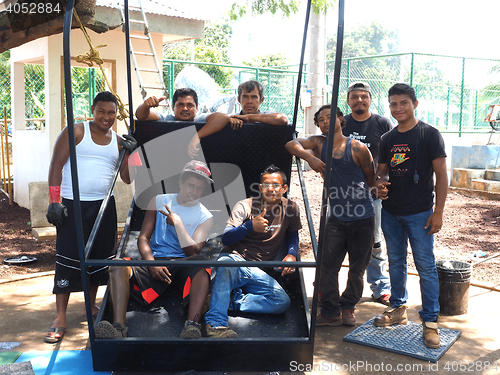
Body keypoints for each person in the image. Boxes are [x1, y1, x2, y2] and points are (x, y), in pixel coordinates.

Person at [44, 91, 136, 343]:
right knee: (68, 257)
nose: (106, 117)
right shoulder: (76, 132)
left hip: (104, 206)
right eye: (101, 111)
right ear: (92, 110)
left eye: (111, 112)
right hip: (72, 205)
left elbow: (127, 178)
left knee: (97, 258)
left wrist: (131, 153)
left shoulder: (118, 140)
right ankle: (60, 317)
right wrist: (54, 202)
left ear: (117, 114)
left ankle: (90, 305)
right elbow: (56, 165)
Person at [95, 160, 214, 339]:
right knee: (117, 265)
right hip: (156, 260)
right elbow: (143, 238)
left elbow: (193, 252)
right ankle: (118, 327)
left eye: (199, 188)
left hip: (184, 264)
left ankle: (192, 325)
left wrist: (179, 224)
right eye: (190, 185)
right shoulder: (159, 200)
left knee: (203, 263)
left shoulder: (205, 216)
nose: (194, 192)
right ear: (181, 182)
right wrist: (151, 263)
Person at [373, 83, 447, 349]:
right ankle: (397, 309)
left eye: (403, 102)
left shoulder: (429, 134)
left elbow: (442, 175)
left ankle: (430, 322)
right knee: (395, 261)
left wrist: (438, 212)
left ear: (415, 104)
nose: (398, 108)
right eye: (393, 104)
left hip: (421, 214)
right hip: (391, 213)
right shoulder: (387, 139)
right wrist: (379, 185)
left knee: (426, 266)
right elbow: (381, 172)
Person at [204, 165, 301, 337]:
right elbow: (225, 239)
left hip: (259, 271)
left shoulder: (291, 208)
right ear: (259, 187)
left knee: (281, 302)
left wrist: (292, 254)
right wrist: (249, 226)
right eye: (265, 184)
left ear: (284, 188)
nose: (270, 189)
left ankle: (230, 301)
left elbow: (292, 236)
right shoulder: (245, 206)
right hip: (236, 262)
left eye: (275, 185)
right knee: (226, 264)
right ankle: (215, 324)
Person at [303, 106, 377, 327]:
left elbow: (370, 178)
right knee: (327, 266)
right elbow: (291, 144)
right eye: (320, 119)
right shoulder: (318, 144)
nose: (325, 122)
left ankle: (348, 307)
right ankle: (330, 311)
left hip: (363, 218)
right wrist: (310, 158)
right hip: (336, 219)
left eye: (329, 117)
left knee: (357, 268)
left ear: (340, 119)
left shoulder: (357, 147)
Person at [343, 81, 394, 306]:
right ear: (348, 101)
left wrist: (381, 182)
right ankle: (328, 290)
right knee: (335, 242)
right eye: (355, 97)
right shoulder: (341, 123)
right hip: (342, 195)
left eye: (364, 96)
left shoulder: (382, 123)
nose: (359, 100)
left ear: (370, 99)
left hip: (372, 195)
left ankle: (380, 287)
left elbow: (393, 155)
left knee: (374, 242)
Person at [134, 88, 239, 158]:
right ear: (173, 106)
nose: (185, 108)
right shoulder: (167, 119)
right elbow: (141, 115)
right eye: (180, 105)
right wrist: (145, 106)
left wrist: (197, 136)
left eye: (190, 105)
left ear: (197, 108)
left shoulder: (200, 120)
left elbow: (223, 117)